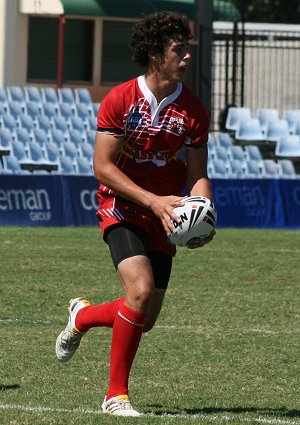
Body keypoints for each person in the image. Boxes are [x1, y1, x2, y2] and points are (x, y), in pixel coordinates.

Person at [55, 11, 215, 417]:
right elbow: (103, 167)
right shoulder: (120, 99)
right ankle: (116, 396)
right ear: (155, 55)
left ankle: (83, 316)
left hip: (165, 214)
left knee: (145, 318)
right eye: (179, 50)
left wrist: (205, 212)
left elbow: (197, 176)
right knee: (139, 293)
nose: (186, 58)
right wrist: (154, 200)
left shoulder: (194, 110)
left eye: (187, 50)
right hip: (121, 204)